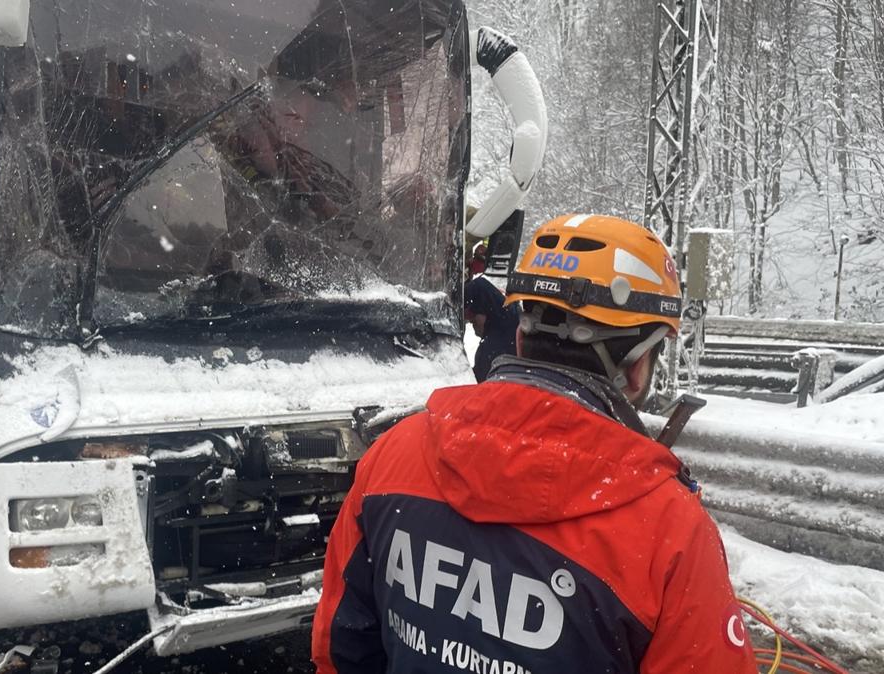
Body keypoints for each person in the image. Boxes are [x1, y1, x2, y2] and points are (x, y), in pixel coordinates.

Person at [312, 214, 756, 674]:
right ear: (639, 367)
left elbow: (340, 647)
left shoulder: (393, 454)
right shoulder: (671, 532)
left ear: (522, 336)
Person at [465, 269, 519, 382]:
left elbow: (479, 381)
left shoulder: (494, 347)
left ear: (483, 310)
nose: (473, 326)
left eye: (473, 320)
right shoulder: (513, 318)